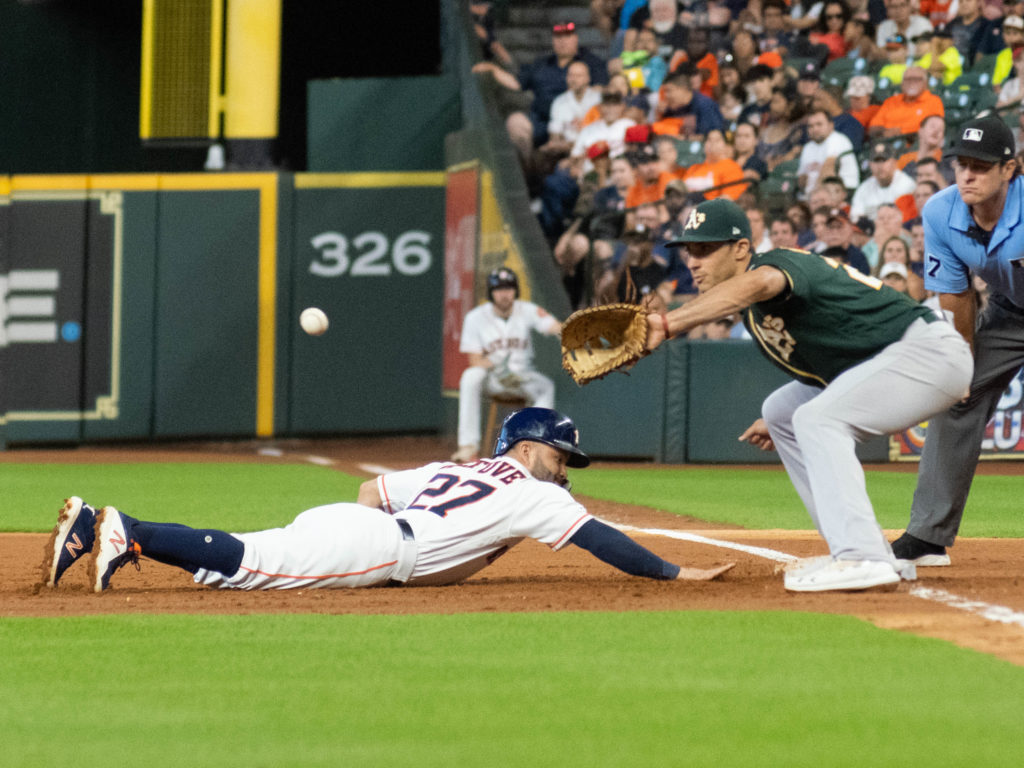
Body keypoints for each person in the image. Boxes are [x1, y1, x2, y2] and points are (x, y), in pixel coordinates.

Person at [644, 197, 972, 592]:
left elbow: (761, 283)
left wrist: (669, 322)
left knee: (816, 419)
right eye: (688, 251)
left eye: (704, 249)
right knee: (782, 412)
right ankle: (863, 552)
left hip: (928, 350)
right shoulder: (755, 313)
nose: (693, 261)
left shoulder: (776, 265)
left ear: (742, 249)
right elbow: (835, 368)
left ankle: (861, 556)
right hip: (897, 357)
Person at [42, 408, 736, 593]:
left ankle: (99, 529)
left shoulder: (463, 466)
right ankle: (124, 529)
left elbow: (371, 489)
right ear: (527, 448)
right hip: (379, 545)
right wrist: (675, 573)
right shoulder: (532, 493)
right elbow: (603, 540)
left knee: (254, 555)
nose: (566, 469)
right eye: (561, 455)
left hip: (361, 524)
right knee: (248, 564)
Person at [893, 115, 1024, 566]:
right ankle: (928, 536)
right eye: (961, 164)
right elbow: (956, 292)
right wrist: (961, 362)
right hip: (1010, 313)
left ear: (1010, 169)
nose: (967, 174)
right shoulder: (940, 211)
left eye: (981, 166)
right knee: (955, 396)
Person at [452, 268, 561, 463]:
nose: (504, 294)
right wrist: (497, 367)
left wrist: (568, 329)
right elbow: (475, 360)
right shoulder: (475, 317)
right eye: (499, 289)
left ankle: (536, 445)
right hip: (494, 379)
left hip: (522, 377)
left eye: (509, 288)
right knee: (471, 376)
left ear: (516, 291)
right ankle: (468, 447)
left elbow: (552, 326)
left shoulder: (526, 309)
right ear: (491, 293)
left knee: (546, 386)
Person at [519, 22, 609, 148]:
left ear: (576, 38)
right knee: (517, 123)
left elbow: (601, 90)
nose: (562, 41)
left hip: (579, 122)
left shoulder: (592, 62)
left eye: (567, 36)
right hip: (542, 120)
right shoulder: (542, 64)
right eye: (558, 37)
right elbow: (518, 83)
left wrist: (586, 117)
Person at [867, 65, 945, 138]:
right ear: (902, 83)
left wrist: (901, 132)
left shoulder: (934, 101)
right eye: (908, 79)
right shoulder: (891, 101)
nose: (911, 82)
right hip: (886, 144)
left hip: (916, 145)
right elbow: (873, 128)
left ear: (925, 83)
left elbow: (935, 130)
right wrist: (885, 132)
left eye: (917, 79)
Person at [797, 108, 860, 198]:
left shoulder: (838, 140)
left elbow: (828, 172)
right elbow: (802, 180)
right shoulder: (808, 147)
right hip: (815, 196)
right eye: (811, 126)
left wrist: (813, 198)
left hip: (842, 192)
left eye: (819, 124)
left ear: (831, 125)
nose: (815, 129)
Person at [849, 141, 917, 220]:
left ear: (894, 162)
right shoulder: (864, 188)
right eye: (876, 161)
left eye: (884, 160)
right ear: (870, 165)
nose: (880, 166)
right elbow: (855, 217)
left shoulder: (906, 184)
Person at [680, 128, 748, 200]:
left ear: (726, 146)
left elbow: (727, 200)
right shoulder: (693, 168)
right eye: (709, 140)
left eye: (717, 140)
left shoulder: (732, 168)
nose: (712, 143)